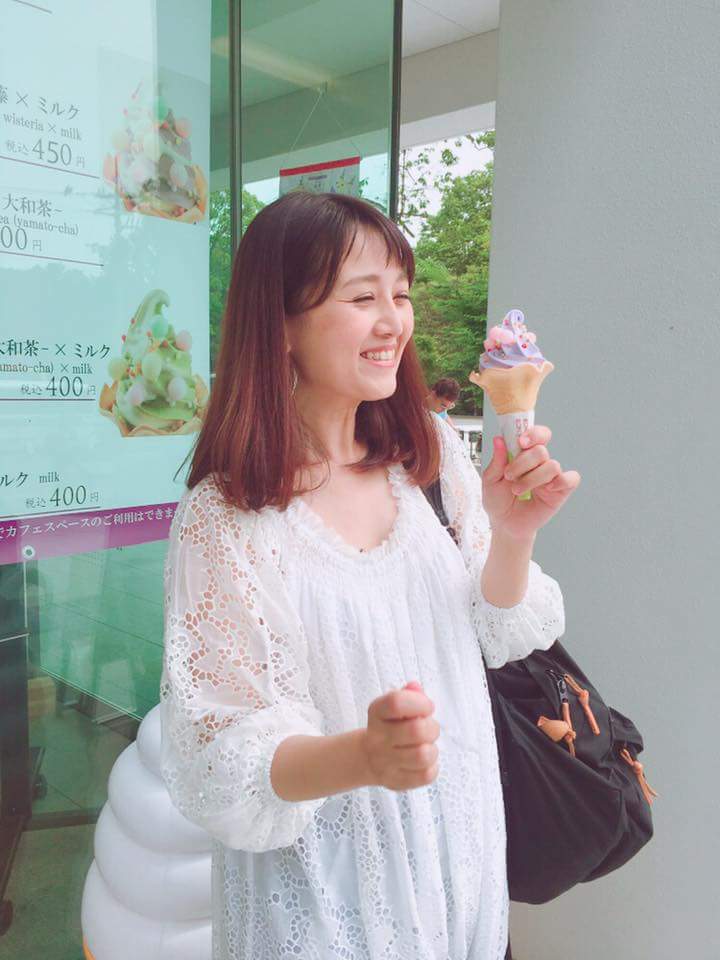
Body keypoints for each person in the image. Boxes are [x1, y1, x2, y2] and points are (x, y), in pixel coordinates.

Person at [160, 192, 581, 960]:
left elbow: (497, 630)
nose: (393, 322)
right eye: (362, 298)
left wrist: (514, 534)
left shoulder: (430, 458)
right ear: (281, 326)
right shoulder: (228, 516)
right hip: (324, 905)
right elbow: (222, 754)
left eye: (401, 294)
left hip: (461, 867)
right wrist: (364, 755)